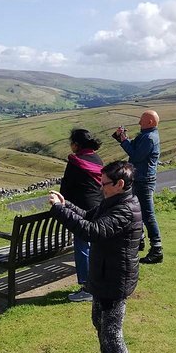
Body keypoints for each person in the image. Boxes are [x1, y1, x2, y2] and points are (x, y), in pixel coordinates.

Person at [48, 161, 142, 353]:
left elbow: (93, 231)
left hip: (115, 280)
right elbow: (90, 217)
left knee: (112, 334)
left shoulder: (125, 209)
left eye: (105, 183)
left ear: (120, 184)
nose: (100, 187)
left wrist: (59, 211)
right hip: (103, 275)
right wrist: (66, 204)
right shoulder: (113, 201)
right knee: (99, 323)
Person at [60, 129, 104, 302]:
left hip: (81, 209)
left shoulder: (75, 161)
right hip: (99, 206)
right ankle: (98, 281)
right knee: (96, 245)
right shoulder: (97, 159)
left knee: (82, 245)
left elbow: (65, 190)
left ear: (76, 144)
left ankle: (88, 287)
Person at [113, 110, 163, 264]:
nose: (139, 123)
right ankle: (139, 240)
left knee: (147, 214)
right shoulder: (145, 135)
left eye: (142, 120)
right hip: (140, 179)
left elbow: (135, 156)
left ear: (150, 122)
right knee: (138, 211)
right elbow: (133, 148)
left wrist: (124, 141)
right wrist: (123, 138)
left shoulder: (149, 138)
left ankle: (157, 249)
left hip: (144, 180)